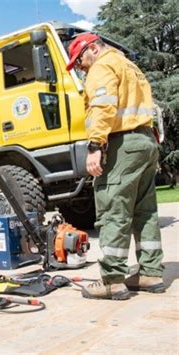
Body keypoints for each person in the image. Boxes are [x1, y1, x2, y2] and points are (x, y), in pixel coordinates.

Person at [66, 33, 165, 300]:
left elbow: (102, 106)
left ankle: (112, 280)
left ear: (93, 49)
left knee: (113, 210)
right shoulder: (128, 66)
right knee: (145, 212)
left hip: (122, 144)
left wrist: (95, 146)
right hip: (145, 141)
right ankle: (151, 272)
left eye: (79, 60)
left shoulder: (102, 67)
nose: (80, 67)